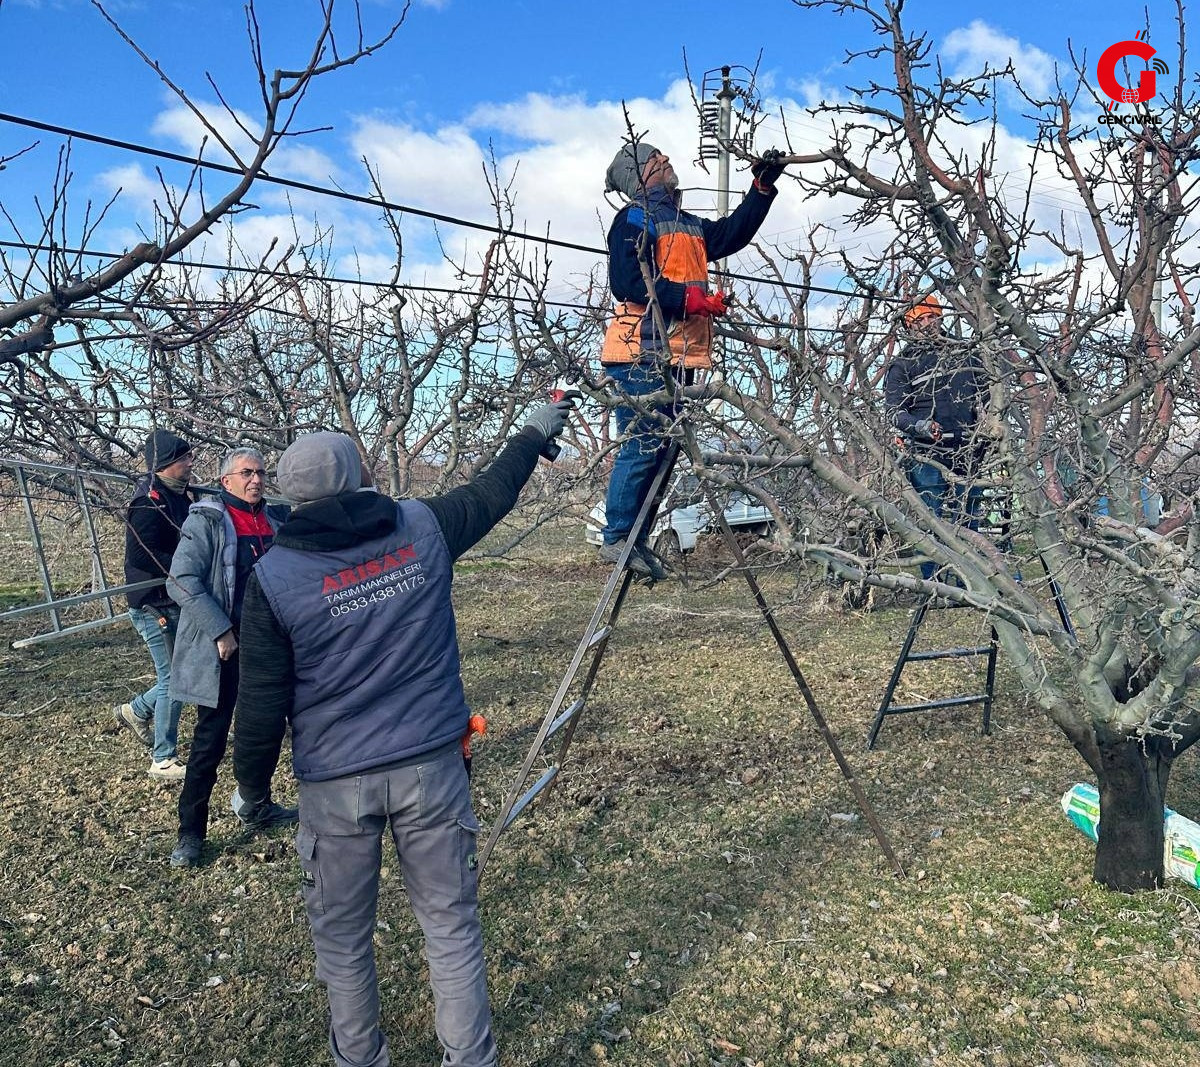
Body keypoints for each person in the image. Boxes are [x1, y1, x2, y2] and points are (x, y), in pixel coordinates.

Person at [230, 400, 572, 1067]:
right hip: (433, 768)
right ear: (362, 475)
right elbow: (491, 492)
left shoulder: (272, 579)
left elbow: (261, 702)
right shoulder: (422, 526)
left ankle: (360, 1058)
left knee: (345, 939)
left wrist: (249, 784)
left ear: (289, 499)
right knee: (449, 925)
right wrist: (531, 430)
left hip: (335, 787)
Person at [597, 138, 784, 580]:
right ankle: (618, 536)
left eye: (661, 153)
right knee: (643, 443)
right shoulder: (633, 218)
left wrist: (759, 188)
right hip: (642, 351)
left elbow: (731, 234)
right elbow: (627, 283)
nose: (665, 159)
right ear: (640, 175)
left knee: (664, 451)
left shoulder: (687, 224)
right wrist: (691, 299)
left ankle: (635, 538)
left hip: (679, 354)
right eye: (654, 159)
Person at [166, 447, 295, 868]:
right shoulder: (207, 521)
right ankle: (190, 834)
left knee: (271, 729)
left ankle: (256, 804)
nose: (256, 480)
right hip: (227, 648)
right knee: (210, 742)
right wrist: (220, 629)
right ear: (226, 481)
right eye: (246, 473)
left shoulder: (278, 519)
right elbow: (181, 581)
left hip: (272, 648)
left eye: (260, 472)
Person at [884, 294, 988, 579]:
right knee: (932, 519)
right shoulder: (903, 364)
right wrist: (921, 426)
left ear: (941, 317)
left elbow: (988, 397)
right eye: (919, 320)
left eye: (932, 316)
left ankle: (972, 581)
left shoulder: (965, 352)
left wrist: (988, 424)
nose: (928, 324)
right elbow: (894, 412)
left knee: (969, 518)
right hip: (925, 454)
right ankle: (935, 585)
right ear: (909, 326)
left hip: (968, 450)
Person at [114, 429, 195, 780]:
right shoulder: (147, 502)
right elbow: (142, 556)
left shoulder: (178, 495)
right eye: (184, 458)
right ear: (167, 463)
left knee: (181, 673)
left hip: (170, 598)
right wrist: (185, 568)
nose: (190, 463)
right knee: (174, 678)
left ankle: (136, 710)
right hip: (152, 604)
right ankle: (162, 757)